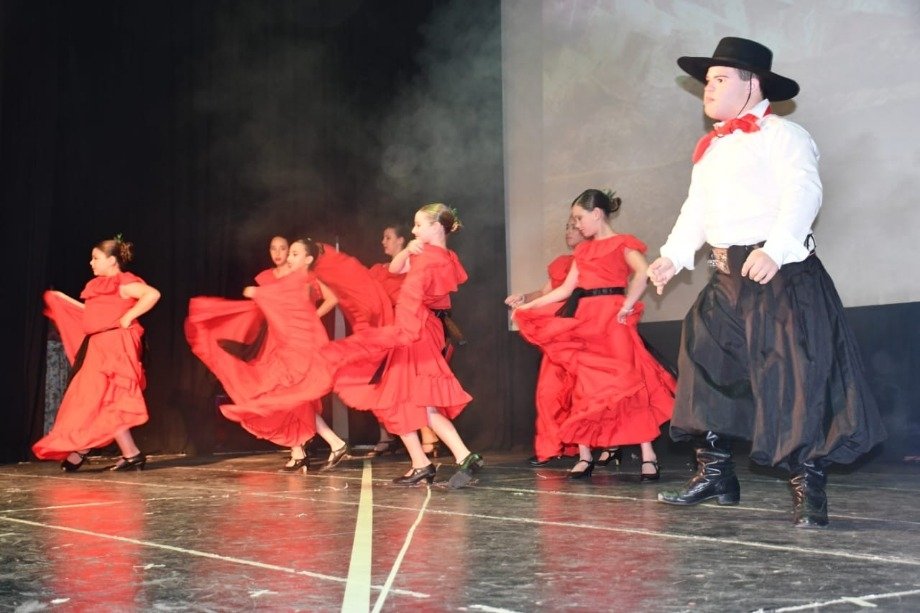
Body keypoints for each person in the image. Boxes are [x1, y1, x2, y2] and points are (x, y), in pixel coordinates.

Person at [647, 37, 885, 526]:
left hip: (781, 275)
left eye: (719, 79)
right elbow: (697, 210)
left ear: (752, 84)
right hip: (726, 278)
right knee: (705, 364)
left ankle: (808, 488)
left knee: (791, 380)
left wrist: (775, 249)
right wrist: (672, 256)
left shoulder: (784, 135)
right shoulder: (713, 148)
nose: (708, 89)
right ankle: (716, 474)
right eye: (707, 81)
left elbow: (804, 193)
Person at [514, 190, 675, 480]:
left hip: (613, 320)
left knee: (627, 384)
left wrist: (627, 304)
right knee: (584, 387)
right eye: (574, 220)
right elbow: (565, 290)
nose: (576, 225)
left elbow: (643, 272)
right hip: (586, 321)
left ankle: (648, 456)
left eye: (579, 218)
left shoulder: (623, 243)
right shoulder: (582, 251)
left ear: (597, 214)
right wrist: (530, 305)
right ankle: (585, 455)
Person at [321, 203, 483, 488]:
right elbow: (396, 269)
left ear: (436, 227)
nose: (413, 231)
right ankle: (435, 461)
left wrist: (397, 334)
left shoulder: (431, 259)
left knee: (406, 398)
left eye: (419, 225)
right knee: (410, 400)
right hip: (420, 329)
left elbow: (411, 295)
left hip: (416, 331)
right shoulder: (435, 255)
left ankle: (451, 458)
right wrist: (408, 250)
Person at [186, 238, 349, 472]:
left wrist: (260, 294)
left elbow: (291, 300)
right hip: (283, 343)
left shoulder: (304, 279)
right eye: (287, 252)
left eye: (293, 253)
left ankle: (331, 444)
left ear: (308, 259)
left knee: (290, 396)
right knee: (289, 397)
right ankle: (306, 450)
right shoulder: (290, 278)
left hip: (298, 348)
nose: (288, 257)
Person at [34, 236, 160, 471]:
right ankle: (129, 453)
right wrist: (63, 300)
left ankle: (86, 450)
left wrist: (128, 316)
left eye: (96, 258)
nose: (91, 262)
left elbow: (152, 294)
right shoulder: (98, 286)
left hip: (114, 346)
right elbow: (92, 313)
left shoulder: (123, 283)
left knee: (105, 396)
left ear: (112, 260)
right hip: (99, 346)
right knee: (97, 398)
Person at [505, 215, 583, 467]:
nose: (569, 231)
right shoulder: (562, 263)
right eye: (567, 226)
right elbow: (544, 292)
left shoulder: (591, 259)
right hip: (557, 340)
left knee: (583, 394)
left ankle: (593, 448)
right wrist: (524, 298)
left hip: (581, 335)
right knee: (549, 392)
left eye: (574, 227)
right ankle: (552, 447)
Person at [368, 222, 443, 458]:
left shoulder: (413, 263)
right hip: (388, 331)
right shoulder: (378, 270)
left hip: (412, 330)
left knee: (410, 385)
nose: (383, 242)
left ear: (401, 240)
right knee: (386, 386)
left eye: (388, 237)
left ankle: (428, 438)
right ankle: (391, 437)